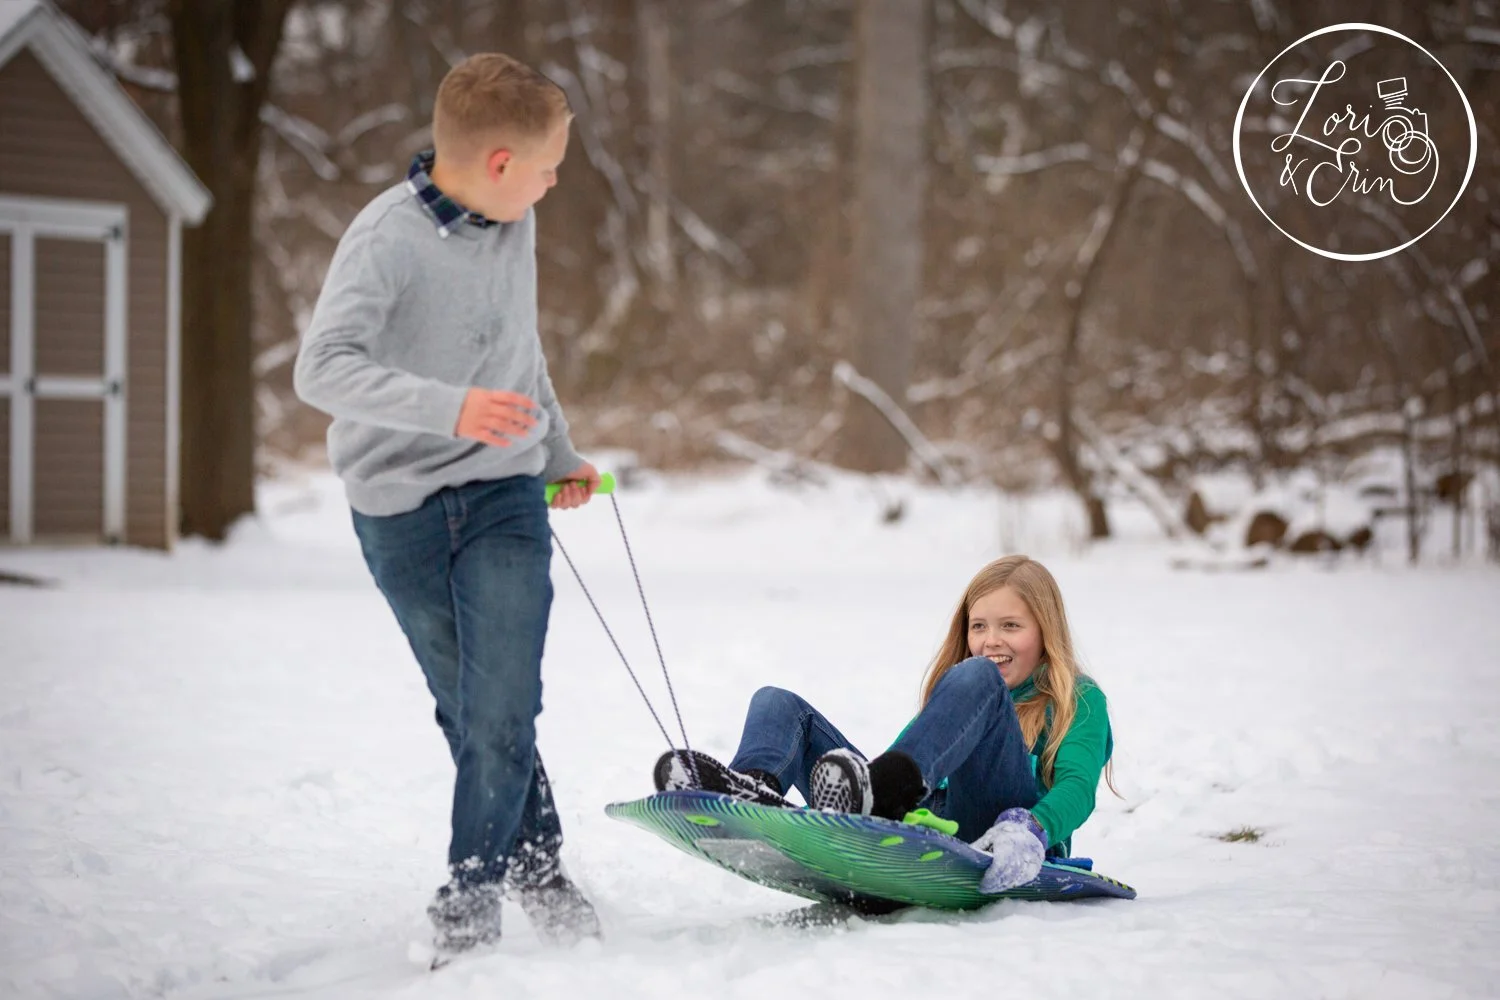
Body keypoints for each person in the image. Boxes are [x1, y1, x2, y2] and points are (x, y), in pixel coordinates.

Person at [294, 52, 602, 952]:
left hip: (504, 492)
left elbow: (518, 348)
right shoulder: (385, 240)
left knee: (505, 704)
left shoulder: (514, 226)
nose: (552, 186)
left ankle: (469, 898)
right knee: (469, 710)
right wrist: (449, 405)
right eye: (547, 169)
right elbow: (322, 369)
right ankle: (537, 865)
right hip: (399, 510)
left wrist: (556, 451)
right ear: (500, 163)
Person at [655, 555, 1115, 893]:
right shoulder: (960, 688)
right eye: (979, 627)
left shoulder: (1076, 699)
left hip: (1000, 830)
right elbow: (902, 762)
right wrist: (873, 792)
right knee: (776, 703)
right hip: (931, 817)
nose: (990, 640)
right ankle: (749, 789)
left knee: (975, 679)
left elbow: (1078, 786)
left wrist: (1032, 829)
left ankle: (881, 796)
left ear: (1045, 630)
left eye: (1011, 626)